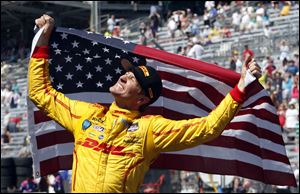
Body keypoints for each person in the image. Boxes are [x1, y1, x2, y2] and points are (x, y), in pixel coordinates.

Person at [29, 14, 262, 193]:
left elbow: (207, 127)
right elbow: (39, 93)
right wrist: (43, 41)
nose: (123, 77)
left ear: (142, 99)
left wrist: (241, 89)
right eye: (127, 74)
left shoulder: (150, 129)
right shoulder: (86, 115)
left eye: (132, 80)